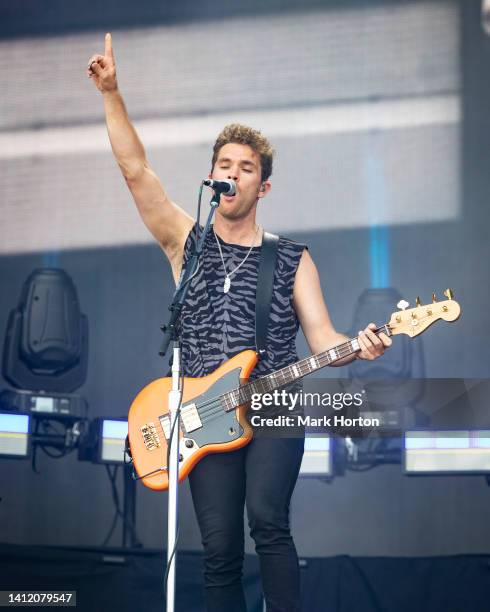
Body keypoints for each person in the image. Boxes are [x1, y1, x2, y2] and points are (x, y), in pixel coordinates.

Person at [87, 33, 392, 612]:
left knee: (267, 521)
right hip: (202, 408)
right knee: (221, 546)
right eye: (223, 165)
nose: (232, 173)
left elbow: (323, 338)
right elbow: (136, 171)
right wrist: (111, 94)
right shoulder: (187, 242)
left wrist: (363, 347)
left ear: (263, 185)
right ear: (212, 177)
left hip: (276, 399)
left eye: (245, 167)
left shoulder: (292, 257)